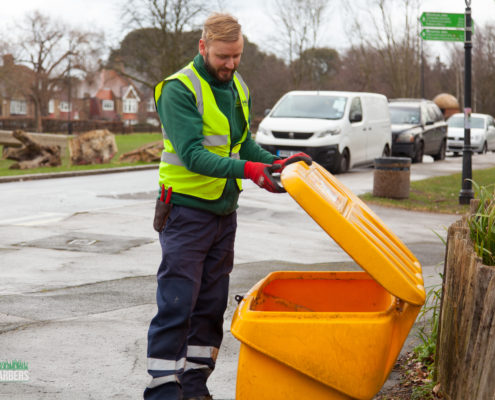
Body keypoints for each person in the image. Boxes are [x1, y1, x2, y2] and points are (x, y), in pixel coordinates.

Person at [144, 13, 311, 400]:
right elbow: (193, 156)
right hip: (184, 214)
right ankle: (163, 392)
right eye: (223, 56)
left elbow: (243, 145)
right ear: (203, 47)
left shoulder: (238, 87)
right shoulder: (178, 89)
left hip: (222, 215)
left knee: (210, 308)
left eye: (237, 56)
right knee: (177, 304)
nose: (231, 64)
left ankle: (195, 388)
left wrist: (275, 164)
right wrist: (251, 170)